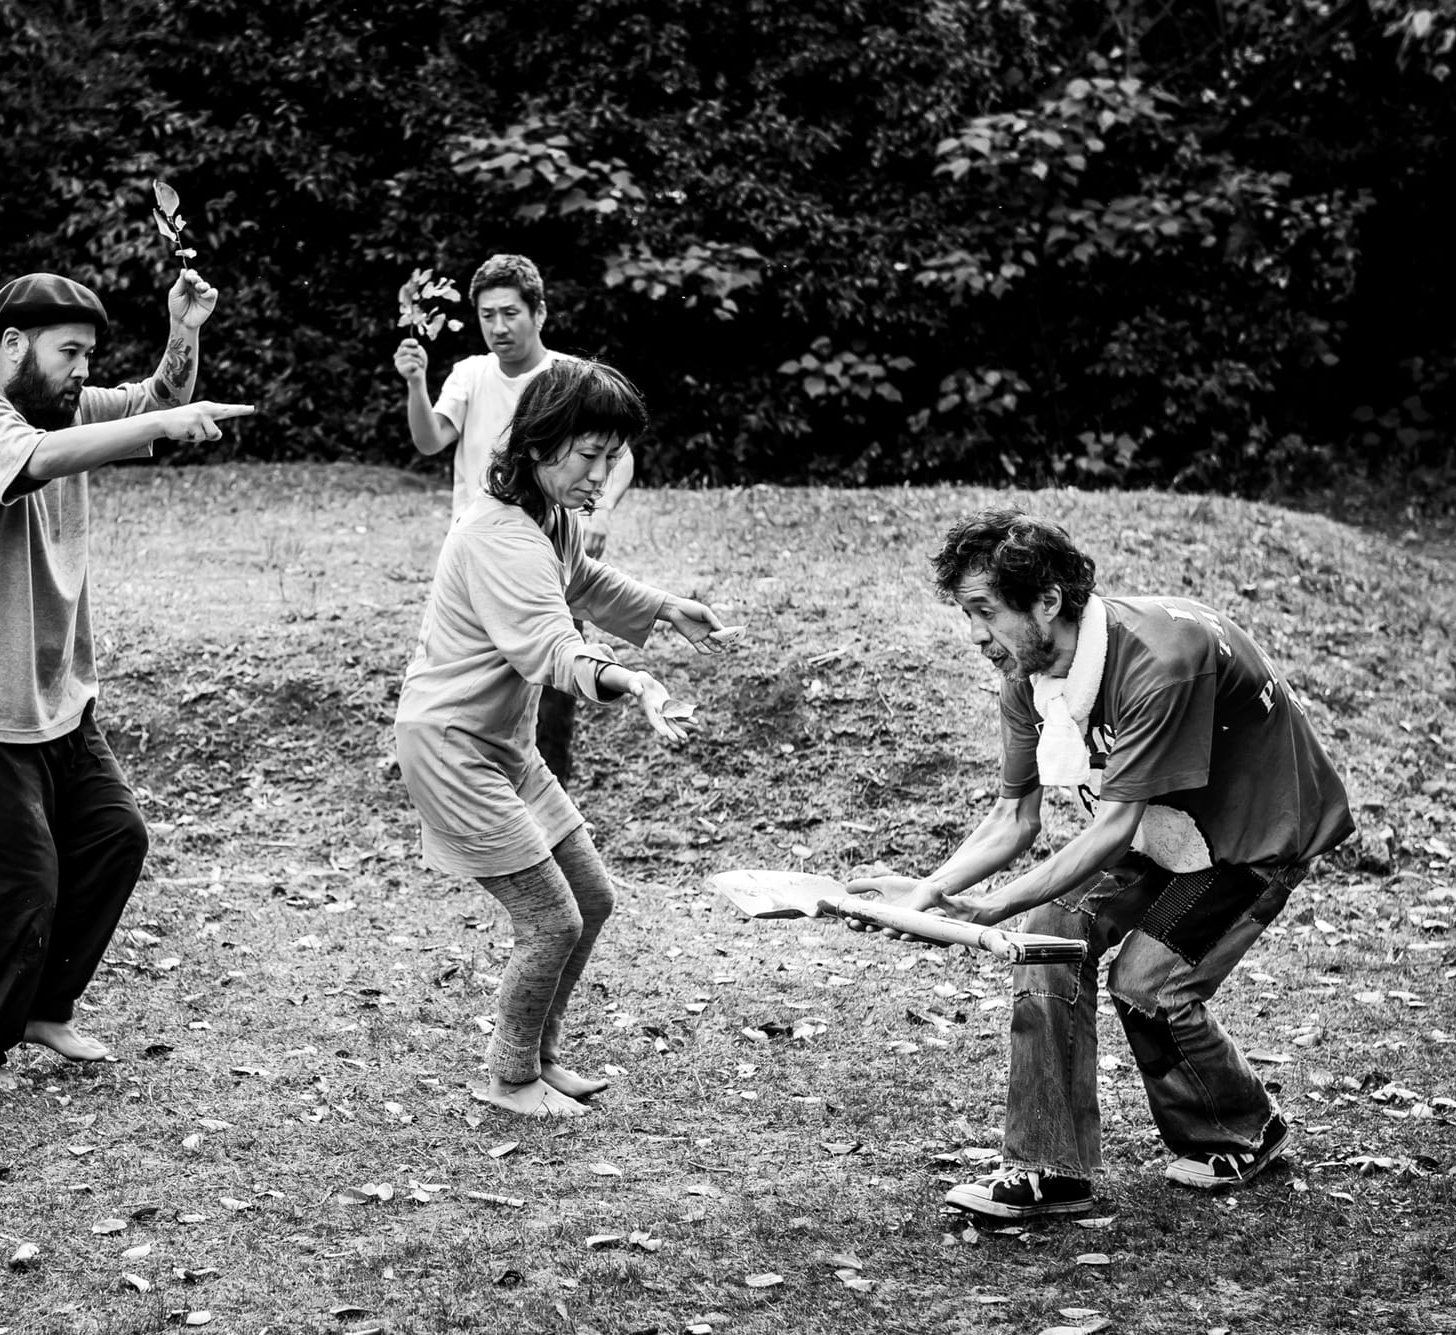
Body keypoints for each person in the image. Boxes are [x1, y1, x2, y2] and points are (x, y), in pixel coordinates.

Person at [851, 509, 1353, 1217]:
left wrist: (994, 906)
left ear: (1048, 601)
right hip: (1159, 823)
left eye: (984, 612)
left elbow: (1111, 830)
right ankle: (1049, 1168)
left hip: (1253, 829)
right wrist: (928, 893)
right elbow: (1014, 816)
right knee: (1051, 936)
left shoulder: (1161, 661)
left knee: (1149, 983)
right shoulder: (1027, 673)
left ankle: (1244, 1128)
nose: (973, 634)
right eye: (966, 614)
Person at [0, 269, 254, 1091]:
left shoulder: (65, 412)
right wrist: (160, 422)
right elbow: (34, 461)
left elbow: (155, 402)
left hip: (54, 704)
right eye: (70, 353)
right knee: (16, 887)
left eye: (90, 354)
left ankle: (44, 1007)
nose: (84, 371)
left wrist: (182, 332)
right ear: (14, 344)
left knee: (113, 837)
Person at [394, 357, 735, 1119]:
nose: (601, 475)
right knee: (551, 919)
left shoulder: (548, 519)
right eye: (589, 456)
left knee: (591, 896)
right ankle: (509, 1077)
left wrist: (668, 607)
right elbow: (550, 647)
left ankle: (539, 1062)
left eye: (612, 459)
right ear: (541, 443)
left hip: (499, 746)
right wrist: (634, 680)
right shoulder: (498, 538)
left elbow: (582, 583)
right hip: (450, 749)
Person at [393, 253, 636, 783]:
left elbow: (619, 454)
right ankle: (482, 785)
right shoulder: (469, 375)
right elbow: (430, 439)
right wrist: (416, 384)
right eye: (487, 315)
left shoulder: (567, 380)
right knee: (485, 688)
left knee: (553, 684)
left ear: (539, 313)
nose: (498, 327)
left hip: (546, 555)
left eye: (510, 313)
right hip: (480, 561)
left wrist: (602, 512)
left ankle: (550, 798)